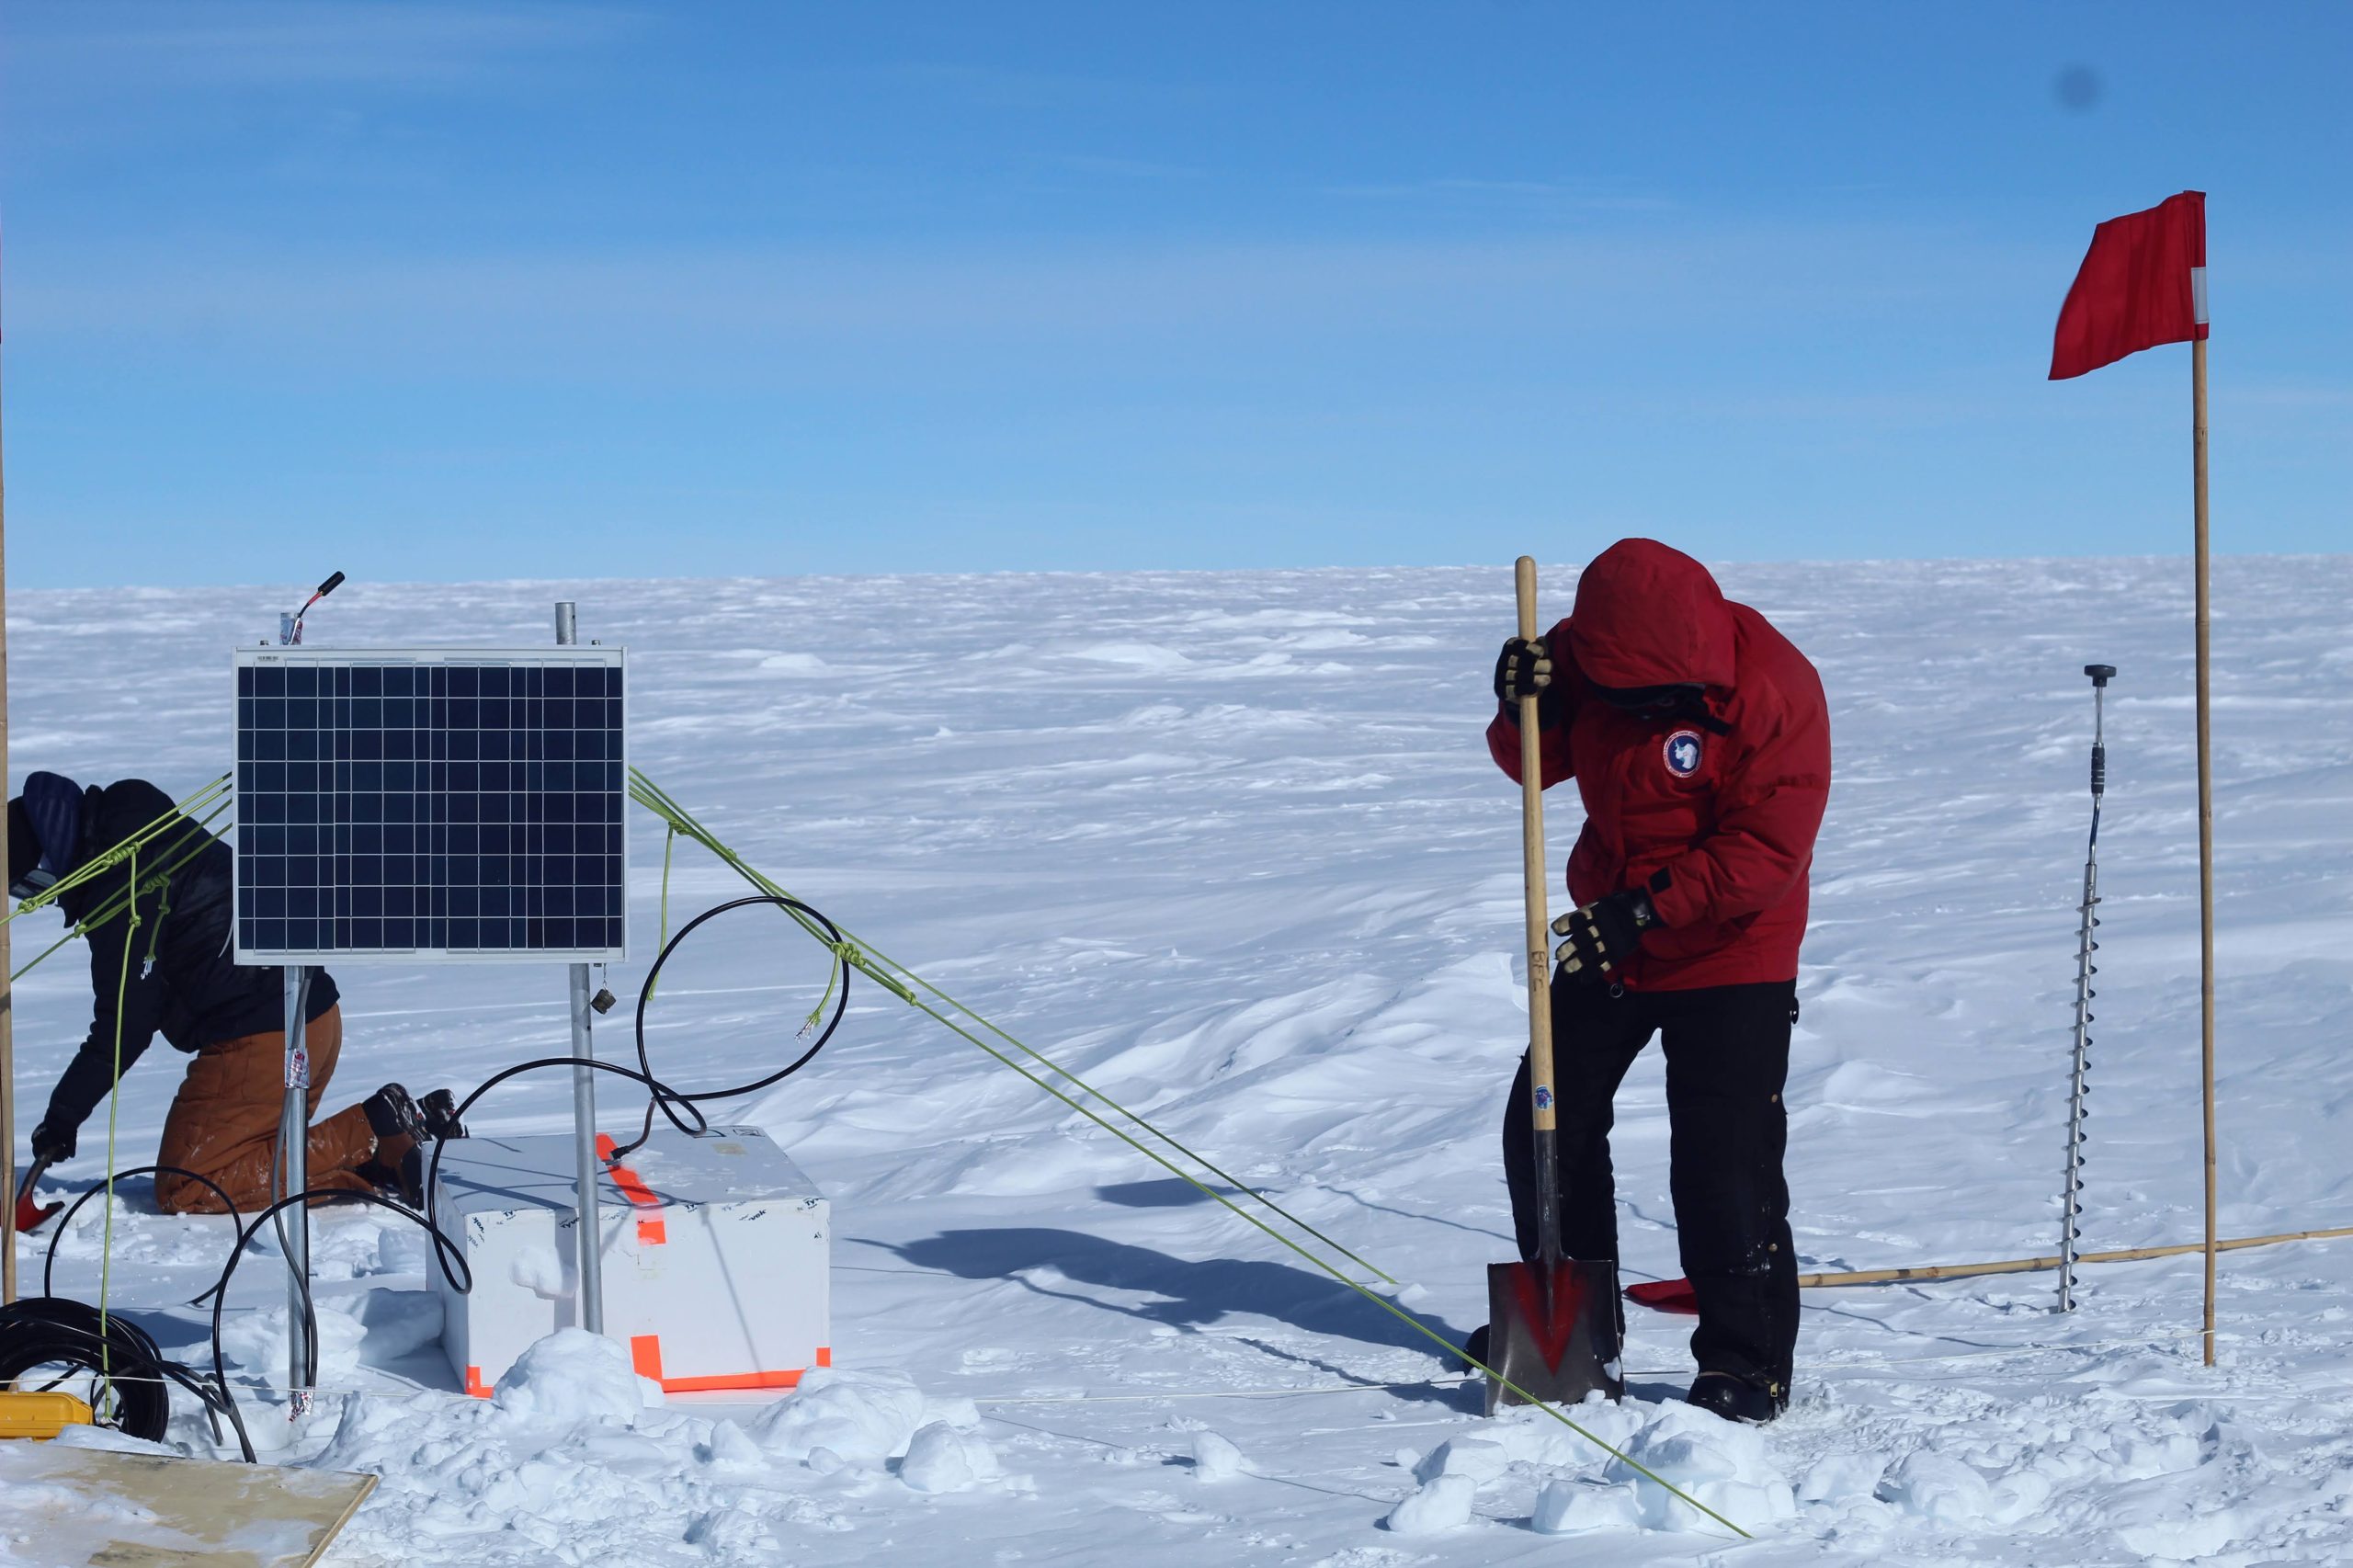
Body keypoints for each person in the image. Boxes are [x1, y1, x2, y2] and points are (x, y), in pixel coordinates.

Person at [1485, 539, 1830, 1423]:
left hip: (1731, 945)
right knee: (1545, 1120)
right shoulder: (1580, 655)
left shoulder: (1777, 690)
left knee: (1724, 1160)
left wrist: (1643, 911)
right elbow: (1533, 764)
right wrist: (1519, 703)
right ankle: (1573, 1330)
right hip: (1615, 929)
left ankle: (1744, 1365)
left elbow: (1766, 855)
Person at [13, 771, 459, 1213]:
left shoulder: (120, 890)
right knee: (255, 1155)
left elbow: (126, 1023)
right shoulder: (137, 827)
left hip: (263, 1039)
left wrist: (62, 1117)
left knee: (189, 1185)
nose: (42, 898)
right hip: (313, 1016)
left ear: (48, 858)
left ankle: (375, 1134)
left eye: (30, 885)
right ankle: (395, 1143)